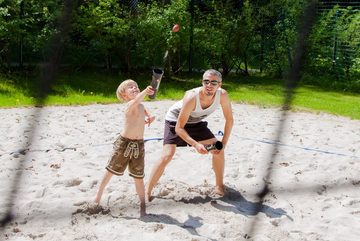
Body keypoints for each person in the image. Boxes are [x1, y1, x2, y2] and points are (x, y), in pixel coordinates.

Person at [146, 69, 233, 201]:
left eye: (213, 82)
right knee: (167, 155)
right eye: (206, 81)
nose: (209, 85)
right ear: (202, 82)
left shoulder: (223, 95)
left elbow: (229, 120)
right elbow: (179, 128)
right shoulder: (191, 96)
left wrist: (224, 143)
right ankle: (147, 191)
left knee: (218, 150)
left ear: (219, 84)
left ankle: (219, 185)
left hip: (196, 122)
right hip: (175, 121)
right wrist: (196, 144)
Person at [94, 79, 155, 217]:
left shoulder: (141, 105)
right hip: (124, 143)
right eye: (130, 87)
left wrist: (151, 117)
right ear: (124, 95)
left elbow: (148, 113)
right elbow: (136, 102)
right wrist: (146, 91)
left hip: (138, 145)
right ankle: (97, 197)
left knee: (138, 176)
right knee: (110, 170)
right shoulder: (130, 104)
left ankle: (142, 205)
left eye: (136, 86)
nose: (135, 88)